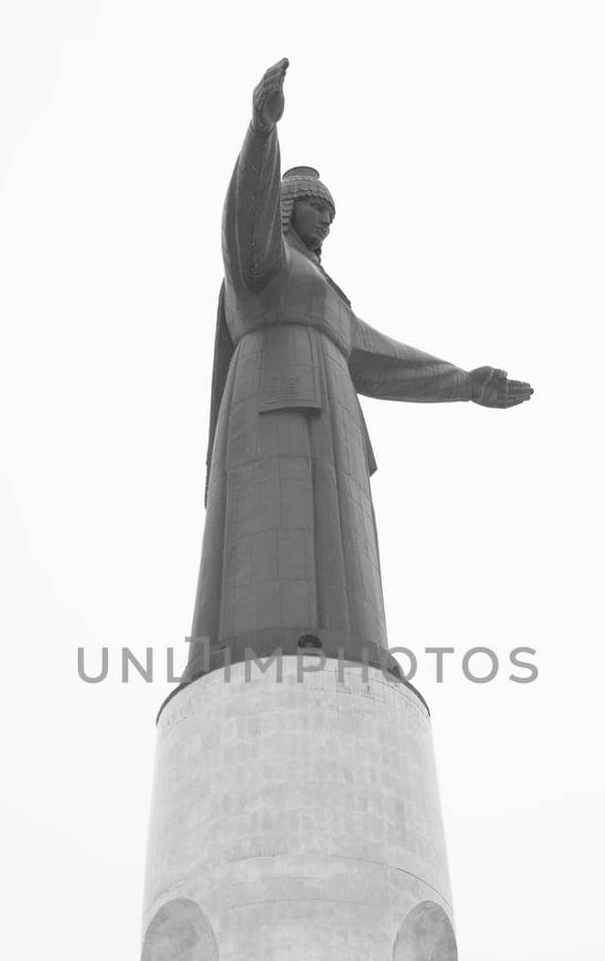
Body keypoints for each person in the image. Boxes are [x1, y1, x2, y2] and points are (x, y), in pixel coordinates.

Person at [187, 57, 532, 680]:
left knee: (344, 551)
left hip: (336, 423)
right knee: (271, 544)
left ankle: (349, 647)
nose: (329, 221)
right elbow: (246, 210)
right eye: (319, 209)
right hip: (272, 400)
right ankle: (260, 648)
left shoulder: (326, 293)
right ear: (290, 208)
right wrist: (262, 132)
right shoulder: (261, 265)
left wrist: (462, 383)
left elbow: (379, 356)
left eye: (331, 213)